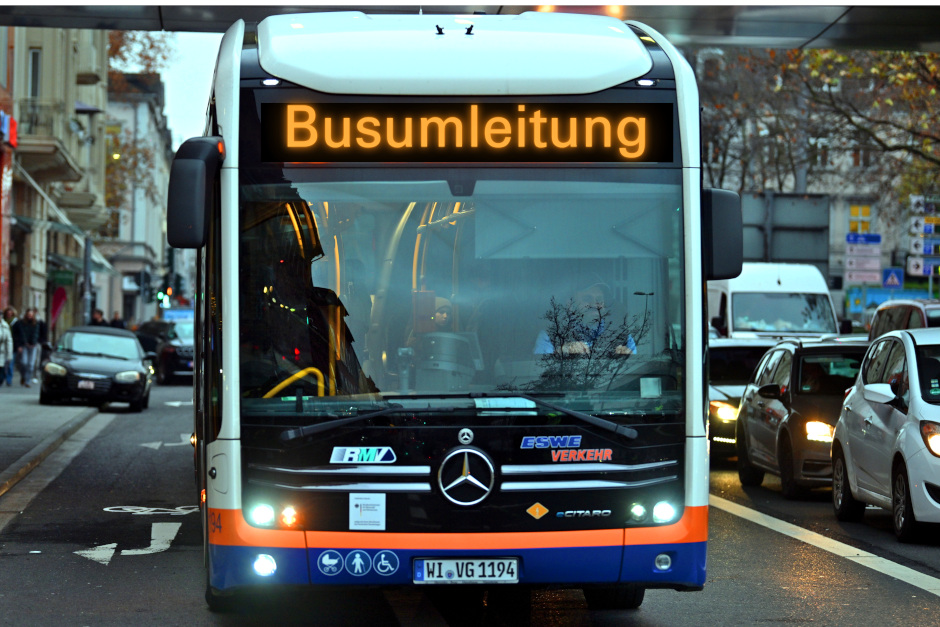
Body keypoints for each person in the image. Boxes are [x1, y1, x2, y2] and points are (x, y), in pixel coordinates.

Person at [533, 282, 636, 356]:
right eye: (587, 298)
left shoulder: (622, 335)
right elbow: (539, 369)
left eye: (599, 299)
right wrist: (561, 352)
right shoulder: (550, 335)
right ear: (570, 304)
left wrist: (627, 357)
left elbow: (635, 368)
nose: (595, 303)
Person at [12, 307, 41, 387]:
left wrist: (33, 342)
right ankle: (23, 376)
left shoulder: (36, 323)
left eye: (31, 315)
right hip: (24, 345)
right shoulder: (21, 323)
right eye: (28, 315)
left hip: (33, 346)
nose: (29, 316)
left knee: (31, 364)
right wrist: (22, 344)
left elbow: (36, 333)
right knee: (23, 362)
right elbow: (20, 334)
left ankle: (27, 381)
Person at [2, 307, 16, 386]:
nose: (9, 315)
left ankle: (9, 379)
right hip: (2, 348)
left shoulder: (15, 322)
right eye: (7, 313)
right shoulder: (3, 323)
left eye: (10, 313)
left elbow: (10, 340)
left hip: (11, 346)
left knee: (10, 364)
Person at [0, 310, 13, 389]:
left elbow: (9, 341)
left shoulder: (5, 326)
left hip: (2, 353)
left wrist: (9, 355)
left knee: (1, 374)